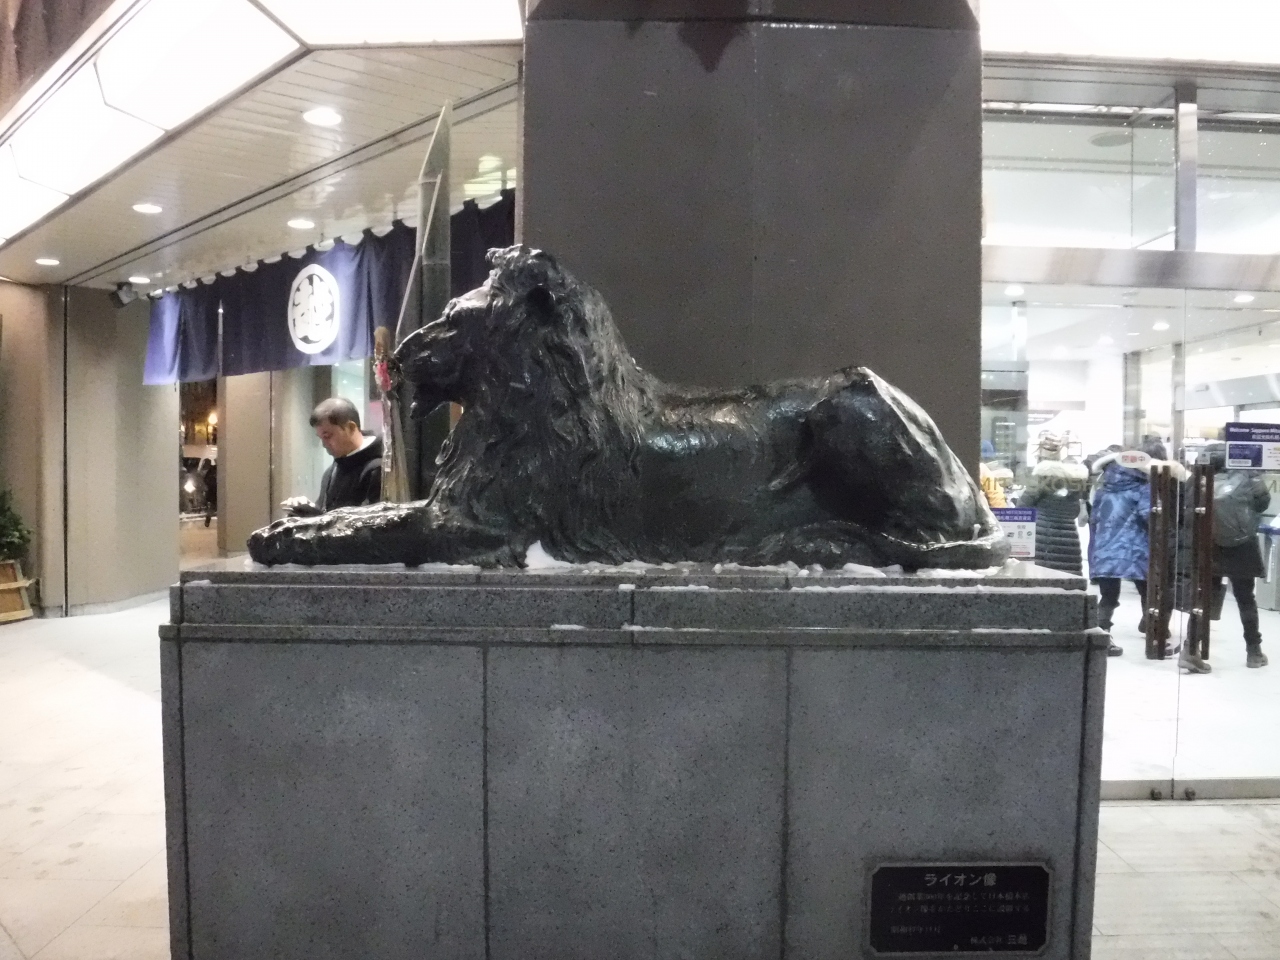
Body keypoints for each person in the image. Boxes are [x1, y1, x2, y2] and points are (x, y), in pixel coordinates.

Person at [1088, 441, 1183, 658]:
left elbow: (1094, 519)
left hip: (1105, 550)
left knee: (1108, 597)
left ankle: (1100, 640)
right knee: (1149, 594)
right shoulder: (1142, 488)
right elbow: (1150, 518)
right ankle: (1155, 640)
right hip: (1135, 550)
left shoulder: (1103, 490)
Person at [1206, 443, 1271, 668]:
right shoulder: (1248, 475)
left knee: (1203, 598)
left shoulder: (1203, 473)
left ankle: (1191, 647)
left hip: (1210, 544)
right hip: (1242, 544)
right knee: (1245, 598)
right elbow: (1263, 504)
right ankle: (1254, 652)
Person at [282, 398, 383, 517]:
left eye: (327, 436)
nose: (324, 444)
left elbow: (374, 524)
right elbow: (324, 514)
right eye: (320, 438)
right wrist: (306, 510)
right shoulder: (331, 472)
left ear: (351, 428)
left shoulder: (379, 469)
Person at [1019, 433, 1089, 576]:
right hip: (1069, 536)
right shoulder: (1074, 480)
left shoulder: (1040, 478)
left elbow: (1022, 509)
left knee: (1042, 577)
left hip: (1042, 536)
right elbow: (1074, 511)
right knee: (1067, 575)